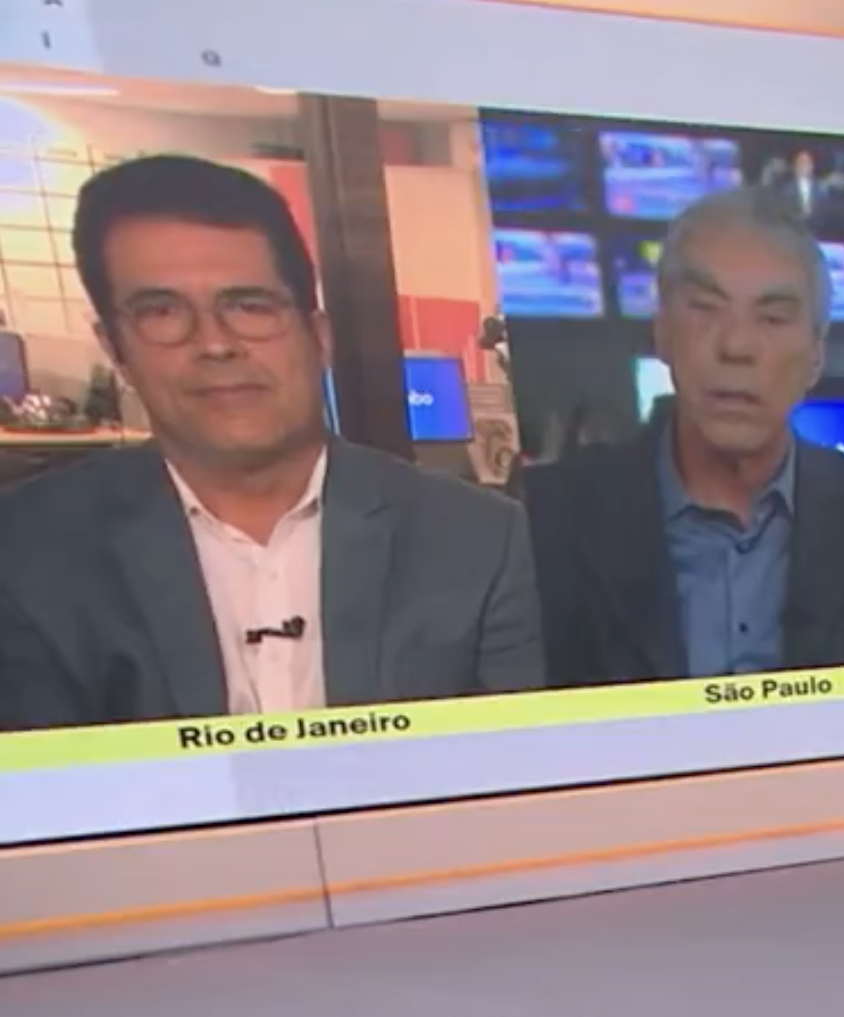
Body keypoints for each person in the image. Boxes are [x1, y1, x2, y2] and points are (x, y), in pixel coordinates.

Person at [0, 155, 541, 731]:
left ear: (318, 337)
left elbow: (522, 764)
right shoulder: (24, 552)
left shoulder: (484, 541)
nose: (215, 344)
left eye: (249, 306)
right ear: (115, 348)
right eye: (161, 311)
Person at [521, 186, 844, 688]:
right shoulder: (544, 523)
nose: (736, 345)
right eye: (706, 308)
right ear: (661, 331)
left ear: (816, 355)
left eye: (772, 317)